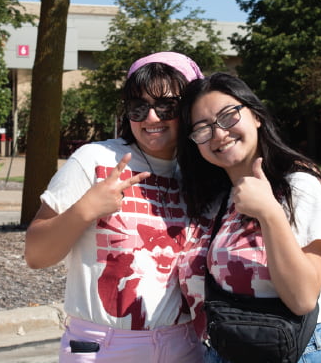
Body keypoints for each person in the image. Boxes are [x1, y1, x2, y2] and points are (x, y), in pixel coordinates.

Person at [24, 52, 205, 362]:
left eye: (166, 106)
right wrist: (86, 208)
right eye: (139, 106)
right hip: (104, 348)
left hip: (185, 345)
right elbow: (36, 255)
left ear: (189, 109)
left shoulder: (202, 173)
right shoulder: (95, 160)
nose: (151, 117)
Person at [176, 73, 321, 362]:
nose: (218, 134)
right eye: (202, 129)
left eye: (228, 116)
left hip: (294, 351)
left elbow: (303, 298)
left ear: (256, 116)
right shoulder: (217, 201)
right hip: (226, 348)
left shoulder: (298, 188)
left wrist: (268, 211)